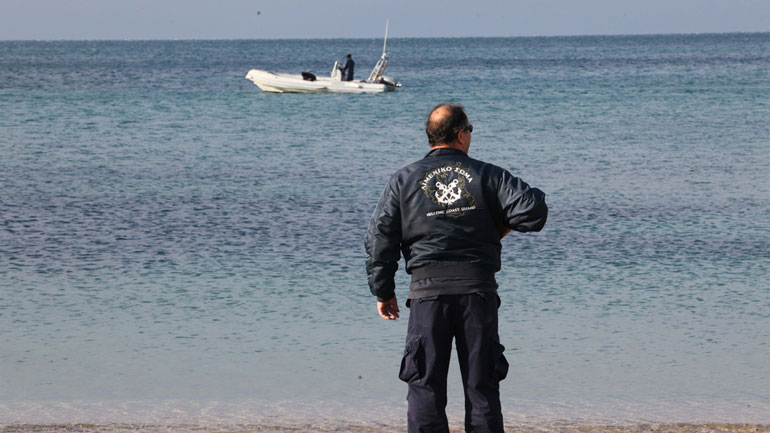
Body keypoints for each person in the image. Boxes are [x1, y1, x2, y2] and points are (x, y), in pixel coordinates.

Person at [364, 103, 548, 433]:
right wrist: (498, 226)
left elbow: (380, 238)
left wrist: (384, 291)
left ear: (432, 136)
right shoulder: (488, 175)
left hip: (427, 295)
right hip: (477, 294)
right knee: (481, 388)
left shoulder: (404, 179)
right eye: (470, 130)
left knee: (425, 387)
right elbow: (533, 209)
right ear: (461, 134)